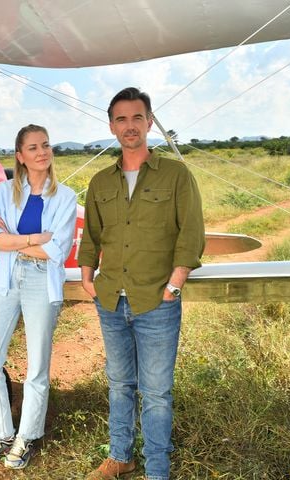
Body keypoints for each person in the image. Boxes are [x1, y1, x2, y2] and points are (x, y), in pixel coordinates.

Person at [79, 87, 205, 480]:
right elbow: (92, 235)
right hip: (110, 300)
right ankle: (120, 456)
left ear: (149, 122)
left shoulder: (176, 174)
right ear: (112, 126)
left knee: (156, 393)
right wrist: (87, 277)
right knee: (118, 383)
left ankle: (157, 470)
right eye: (121, 119)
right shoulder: (101, 182)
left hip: (157, 301)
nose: (129, 126)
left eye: (137, 118)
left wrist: (174, 284)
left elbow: (192, 232)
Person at [0, 124, 77, 469]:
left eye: (46, 145)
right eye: (33, 147)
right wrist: (33, 239)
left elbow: (57, 249)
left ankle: (26, 436)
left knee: (37, 366)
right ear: (20, 156)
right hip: (5, 280)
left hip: (41, 283)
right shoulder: (2, 192)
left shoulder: (66, 197)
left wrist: (14, 239)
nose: (42, 152)